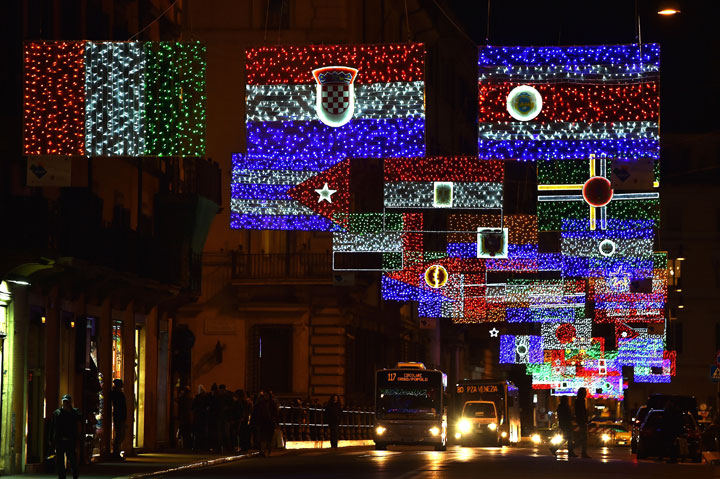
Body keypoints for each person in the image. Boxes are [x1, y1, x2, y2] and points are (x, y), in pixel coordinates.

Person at [52, 394, 83, 479]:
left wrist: (70, 410)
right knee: (60, 460)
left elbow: (80, 417)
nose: (65, 404)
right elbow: (53, 426)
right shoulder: (57, 413)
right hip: (60, 440)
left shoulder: (74, 412)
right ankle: (62, 476)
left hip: (70, 439)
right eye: (64, 402)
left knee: (72, 459)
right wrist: (52, 439)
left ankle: (75, 475)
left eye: (67, 402)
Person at [109, 379, 127, 459]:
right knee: (120, 435)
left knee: (120, 435)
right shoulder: (117, 394)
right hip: (119, 416)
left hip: (120, 416)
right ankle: (116, 453)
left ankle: (116, 452)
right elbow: (120, 406)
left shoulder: (117, 393)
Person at [574, 387, 590, 458]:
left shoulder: (579, 400)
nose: (586, 394)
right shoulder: (581, 401)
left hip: (581, 420)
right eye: (585, 392)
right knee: (584, 438)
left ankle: (582, 451)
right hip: (582, 421)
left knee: (583, 438)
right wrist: (585, 418)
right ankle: (582, 452)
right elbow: (582, 412)